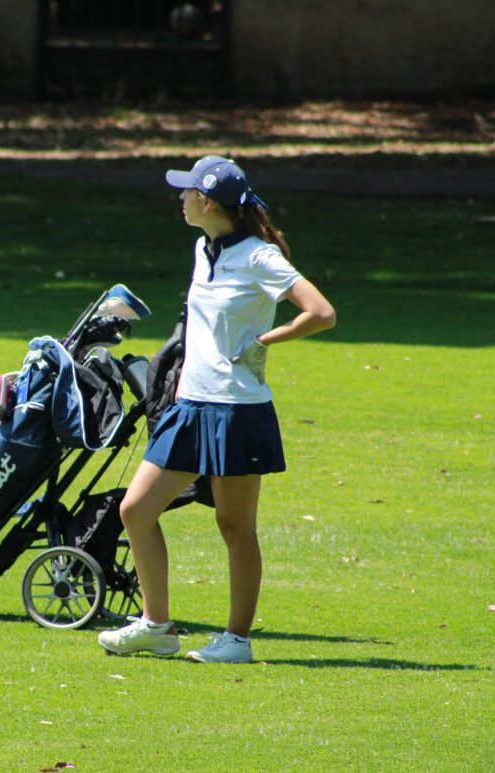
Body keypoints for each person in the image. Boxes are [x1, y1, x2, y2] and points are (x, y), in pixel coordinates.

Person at [98, 155, 336, 663]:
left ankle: (236, 640)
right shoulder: (201, 247)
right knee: (135, 509)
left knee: (234, 526)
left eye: (186, 191)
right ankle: (156, 625)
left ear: (207, 201)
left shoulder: (259, 257)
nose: (179, 198)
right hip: (191, 405)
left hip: (237, 410)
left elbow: (321, 313)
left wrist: (266, 340)